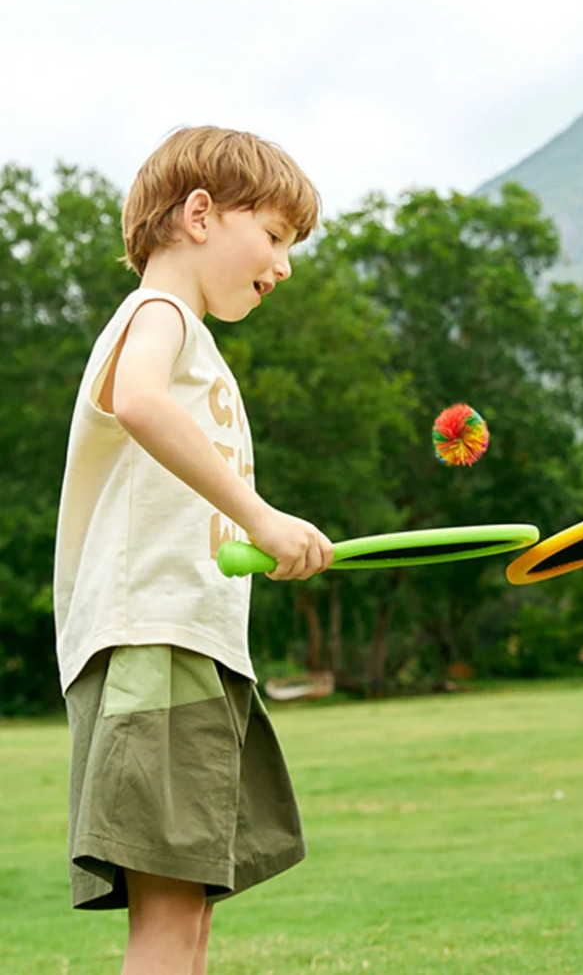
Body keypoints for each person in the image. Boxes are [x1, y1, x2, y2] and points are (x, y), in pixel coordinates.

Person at [53, 126, 334, 975]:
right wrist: (262, 514)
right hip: (154, 641)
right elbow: (139, 402)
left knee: (188, 919)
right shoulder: (160, 313)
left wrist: (259, 532)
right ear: (201, 214)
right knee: (170, 919)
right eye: (276, 235)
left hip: (190, 644)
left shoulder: (192, 340)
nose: (283, 265)